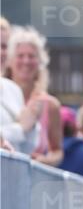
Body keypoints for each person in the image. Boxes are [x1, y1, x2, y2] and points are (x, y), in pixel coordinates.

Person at [5, 26, 63, 167]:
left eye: (31, 56)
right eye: (20, 56)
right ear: (10, 61)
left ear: (40, 62)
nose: (26, 61)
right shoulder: (3, 96)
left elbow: (58, 151)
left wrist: (45, 161)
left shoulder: (50, 105)